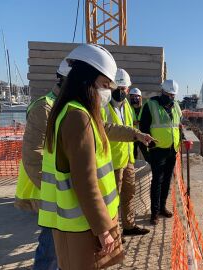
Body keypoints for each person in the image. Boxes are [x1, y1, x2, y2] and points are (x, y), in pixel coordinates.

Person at [38, 44, 154, 269]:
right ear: (86, 81)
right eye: (104, 85)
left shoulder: (73, 111)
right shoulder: (77, 117)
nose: (107, 92)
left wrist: (136, 135)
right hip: (83, 224)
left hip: (83, 220)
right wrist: (102, 229)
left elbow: (109, 129)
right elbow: (85, 181)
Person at [14, 59, 70, 270]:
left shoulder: (64, 105)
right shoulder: (44, 107)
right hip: (47, 188)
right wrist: (53, 190)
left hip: (58, 186)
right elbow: (32, 156)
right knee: (50, 245)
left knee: (58, 242)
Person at [103, 69, 150, 236]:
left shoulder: (127, 108)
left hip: (128, 159)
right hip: (111, 162)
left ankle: (128, 226)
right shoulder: (104, 107)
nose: (120, 91)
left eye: (124, 88)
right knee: (111, 200)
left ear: (128, 90)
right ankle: (113, 233)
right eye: (118, 87)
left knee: (129, 194)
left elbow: (130, 129)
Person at [140, 79, 184, 225]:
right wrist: (149, 146)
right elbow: (143, 127)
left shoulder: (176, 106)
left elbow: (178, 125)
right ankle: (154, 212)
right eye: (168, 94)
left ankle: (162, 207)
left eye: (173, 95)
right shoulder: (151, 105)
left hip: (172, 149)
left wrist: (181, 138)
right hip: (158, 150)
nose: (170, 97)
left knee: (166, 180)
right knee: (157, 181)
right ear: (162, 92)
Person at [128, 87, 145, 159]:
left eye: (137, 96)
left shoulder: (144, 108)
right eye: (133, 96)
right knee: (133, 154)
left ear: (140, 97)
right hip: (132, 134)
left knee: (146, 153)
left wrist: (141, 122)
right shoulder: (127, 107)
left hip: (142, 134)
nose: (135, 98)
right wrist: (132, 123)